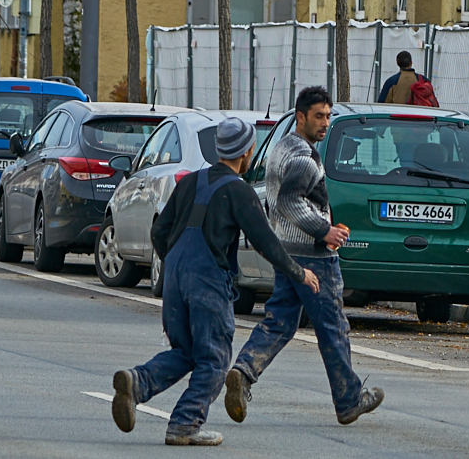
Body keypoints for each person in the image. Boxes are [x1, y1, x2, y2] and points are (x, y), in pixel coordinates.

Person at [109, 116, 319, 447]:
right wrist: (299, 272)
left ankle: (137, 384)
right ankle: (184, 424)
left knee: (187, 351)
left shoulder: (190, 181)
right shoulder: (240, 191)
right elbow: (266, 241)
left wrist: (178, 265)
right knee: (216, 358)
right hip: (207, 280)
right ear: (247, 152)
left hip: (175, 276)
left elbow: (159, 232)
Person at [225, 86, 383, 428]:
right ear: (301, 117)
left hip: (286, 251)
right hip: (313, 256)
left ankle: (244, 370)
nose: (325, 123)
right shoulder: (304, 158)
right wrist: (323, 231)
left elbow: (277, 202)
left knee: (280, 321)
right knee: (333, 328)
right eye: (318, 116)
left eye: (328, 116)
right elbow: (289, 202)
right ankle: (349, 400)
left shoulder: (282, 147)